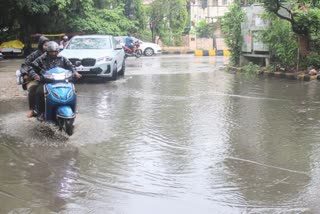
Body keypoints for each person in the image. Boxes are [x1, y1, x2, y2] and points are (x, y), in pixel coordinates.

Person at [30, 41, 82, 119]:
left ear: (58, 51)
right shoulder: (41, 59)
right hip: (47, 81)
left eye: (55, 51)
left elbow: (71, 67)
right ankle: (39, 111)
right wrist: (35, 75)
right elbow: (31, 68)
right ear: (47, 52)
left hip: (62, 80)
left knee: (73, 90)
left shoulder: (63, 58)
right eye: (51, 52)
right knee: (39, 92)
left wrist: (75, 73)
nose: (53, 53)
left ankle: (73, 107)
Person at [22, 36, 49, 118]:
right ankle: (32, 109)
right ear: (41, 45)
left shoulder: (52, 54)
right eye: (45, 45)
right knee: (33, 90)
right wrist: (26, 74)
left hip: (50, 78)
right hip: (36, 77)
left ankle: (68, 105)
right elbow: (25, 66)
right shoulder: (34, 55)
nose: (47, 47)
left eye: (48, 45)